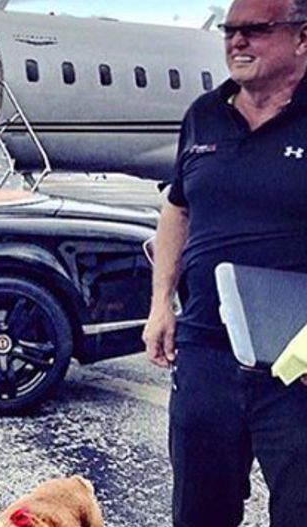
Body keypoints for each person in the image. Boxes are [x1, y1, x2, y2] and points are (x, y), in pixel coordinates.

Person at [142, 0, 307, 524]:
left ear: (302, 37)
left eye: (255, 29)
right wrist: (161, 304)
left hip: (298, 364)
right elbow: (177, 208)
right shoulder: (204, 114)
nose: (237, 41)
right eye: (230, 30)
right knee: (198, 512)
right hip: (206, 351)